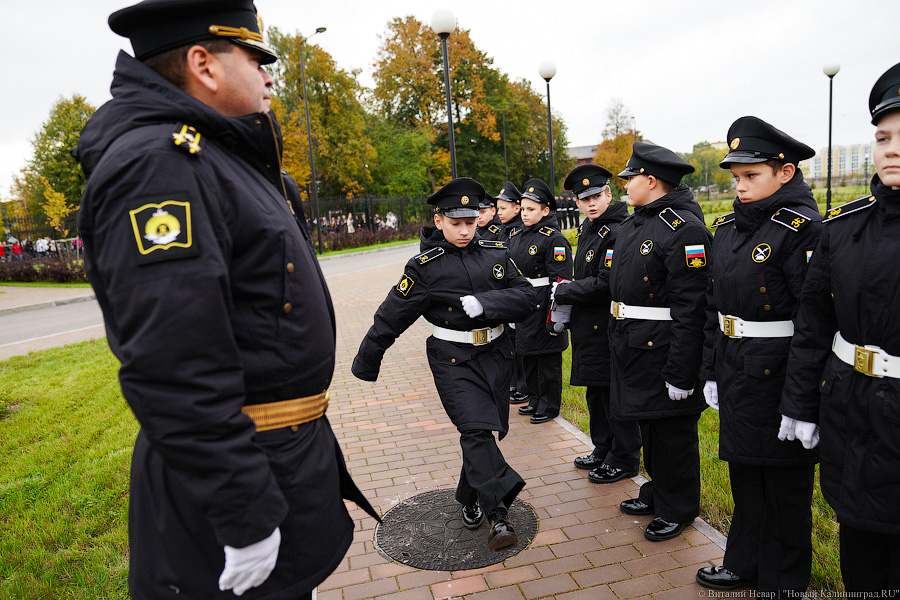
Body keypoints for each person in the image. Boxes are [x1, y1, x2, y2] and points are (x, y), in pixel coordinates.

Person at [74, 1, 377, 597]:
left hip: (281, 460)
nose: (268, 74)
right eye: (256, 57)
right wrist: (243, 511)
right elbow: (174, 363)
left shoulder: (217, 158)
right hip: (236, 486)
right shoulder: (159, 167)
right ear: (202, 64)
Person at [352, 177, 538, 551]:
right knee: (475, 430)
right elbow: (391, 316)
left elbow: (526, 297)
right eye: (456, 223)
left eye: (471, 221)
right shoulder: (425, 267)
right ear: (439, 221)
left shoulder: (496, 253)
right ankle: (499, 516)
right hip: (454, 360)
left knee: (484, 431)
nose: (465, 230)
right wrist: (367, 360)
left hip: (497, 355)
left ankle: (468, 496)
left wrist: (488, 304)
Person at [780, 61, 900, 593]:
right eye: (883, 137)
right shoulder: (844, 228)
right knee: (862, 555)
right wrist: (801, 405)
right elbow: (813, 324)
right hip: (852, 411)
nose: (891, 150)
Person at [695, 117, 821, 596]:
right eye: (736, 177)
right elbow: (714, 306)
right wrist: (710, 369)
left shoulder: (802, 230)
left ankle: (784, 580)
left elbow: (814, 322)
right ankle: (744, 562)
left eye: (752, 175)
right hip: (736, 365)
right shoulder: (729, 228)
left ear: (785, 173)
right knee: (745, 474)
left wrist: (802, 399)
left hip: (781, 370)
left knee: (785, 485)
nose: (740, 186)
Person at [608, 142, 710, 542]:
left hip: (664, 348)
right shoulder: (637, 223)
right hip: (635, 344)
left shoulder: (684, 229)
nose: (625, 185)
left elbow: (692, 307)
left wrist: (682, 372)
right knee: (651, 428)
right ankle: (657, 493)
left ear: (651, 181)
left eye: (630, 178)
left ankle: (678, 507)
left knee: (672, 434)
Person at [555, 164, 641, 484]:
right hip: (588, 326)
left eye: (596, 196)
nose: (590, 204)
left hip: (607, 326)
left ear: (608, 194)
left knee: (613, 395)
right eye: (584, 199)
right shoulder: (591, 228)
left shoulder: (615, 230)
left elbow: (605, 283)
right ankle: (603, 448)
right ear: (576, 202)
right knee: (596, 391)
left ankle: (624, 456)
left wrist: (563, 291)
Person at [508, 178, 573, 424]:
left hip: (544, 305)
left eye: (531, 209)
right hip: (524, 305)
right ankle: (535, 399)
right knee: (529, 357)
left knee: (547, 361)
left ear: (545, 211)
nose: (524, 213)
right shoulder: (517, 235)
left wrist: (556, 317)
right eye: (523, 209)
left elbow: (561, 282)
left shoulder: (553, 239)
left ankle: (549, 405)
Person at [495, 182, 528, 404]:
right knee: (510, 341)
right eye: (498, 208)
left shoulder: (519, 231)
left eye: (503, 208)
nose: (499, 212)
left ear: (517, 208)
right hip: (505, 294)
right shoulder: (504, 230)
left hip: (517, 293)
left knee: (519, 343)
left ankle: (522, 386)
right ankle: (514, 383)